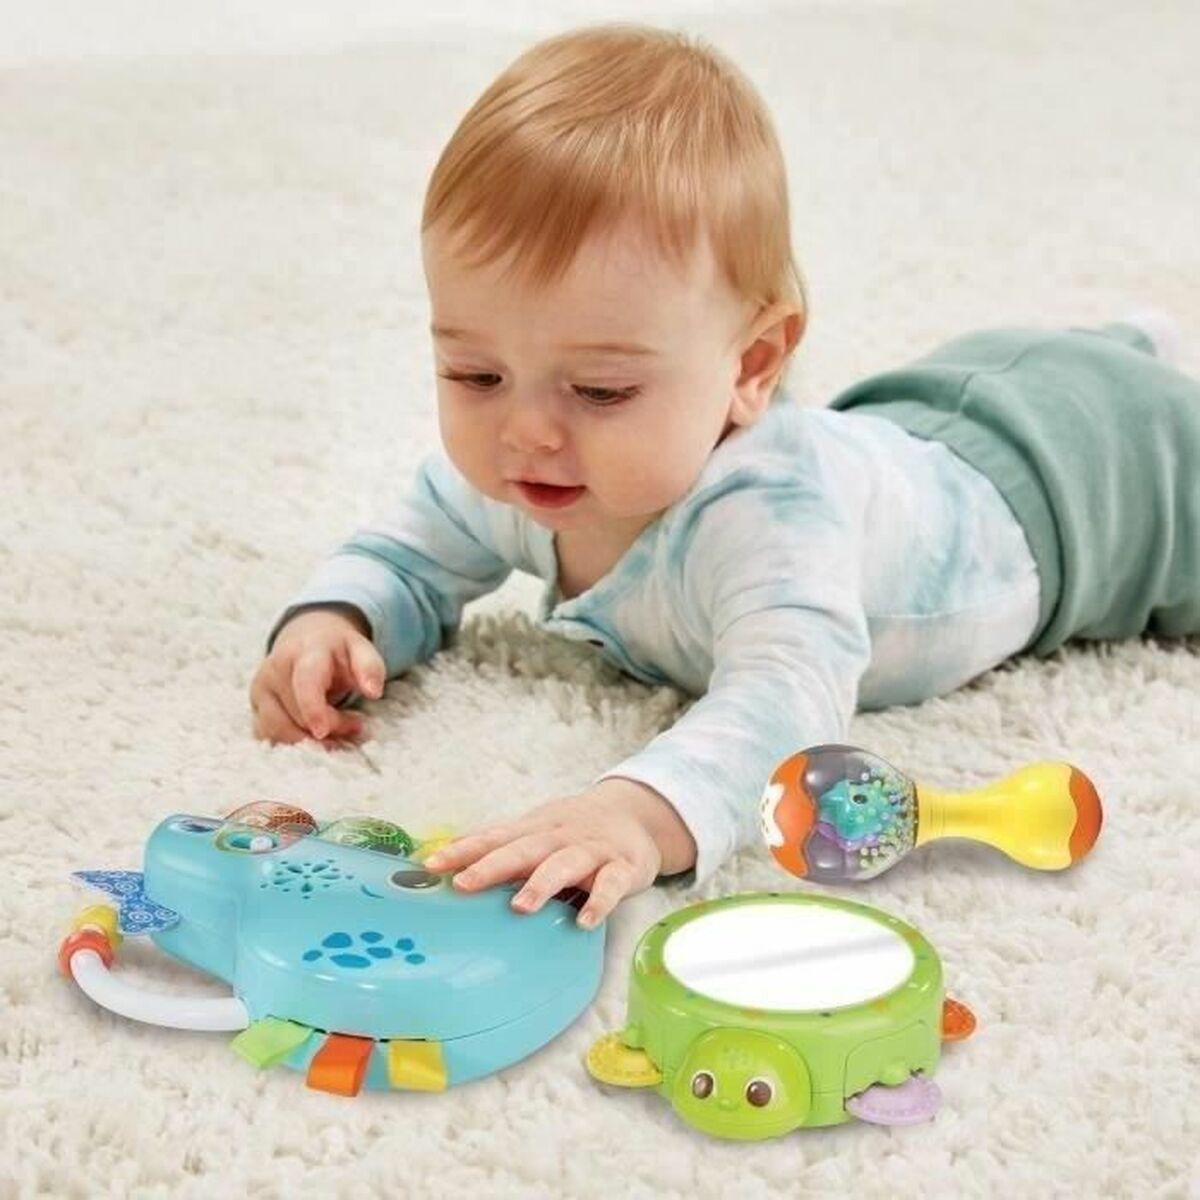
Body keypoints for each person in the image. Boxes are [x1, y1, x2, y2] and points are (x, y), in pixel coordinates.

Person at [249, 23, 1200, 930]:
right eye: (474, 375)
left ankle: (1136, 360)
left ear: (752, 366)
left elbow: (788, 700)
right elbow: (408, 550)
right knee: (995, 391)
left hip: (1088, 494)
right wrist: (339, 619)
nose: (527, 431)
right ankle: (1126, 344)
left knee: (1129, 418)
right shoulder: (525, 469)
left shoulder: (770, 523)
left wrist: (637, 811)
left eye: (601, 389)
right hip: (916, 425)